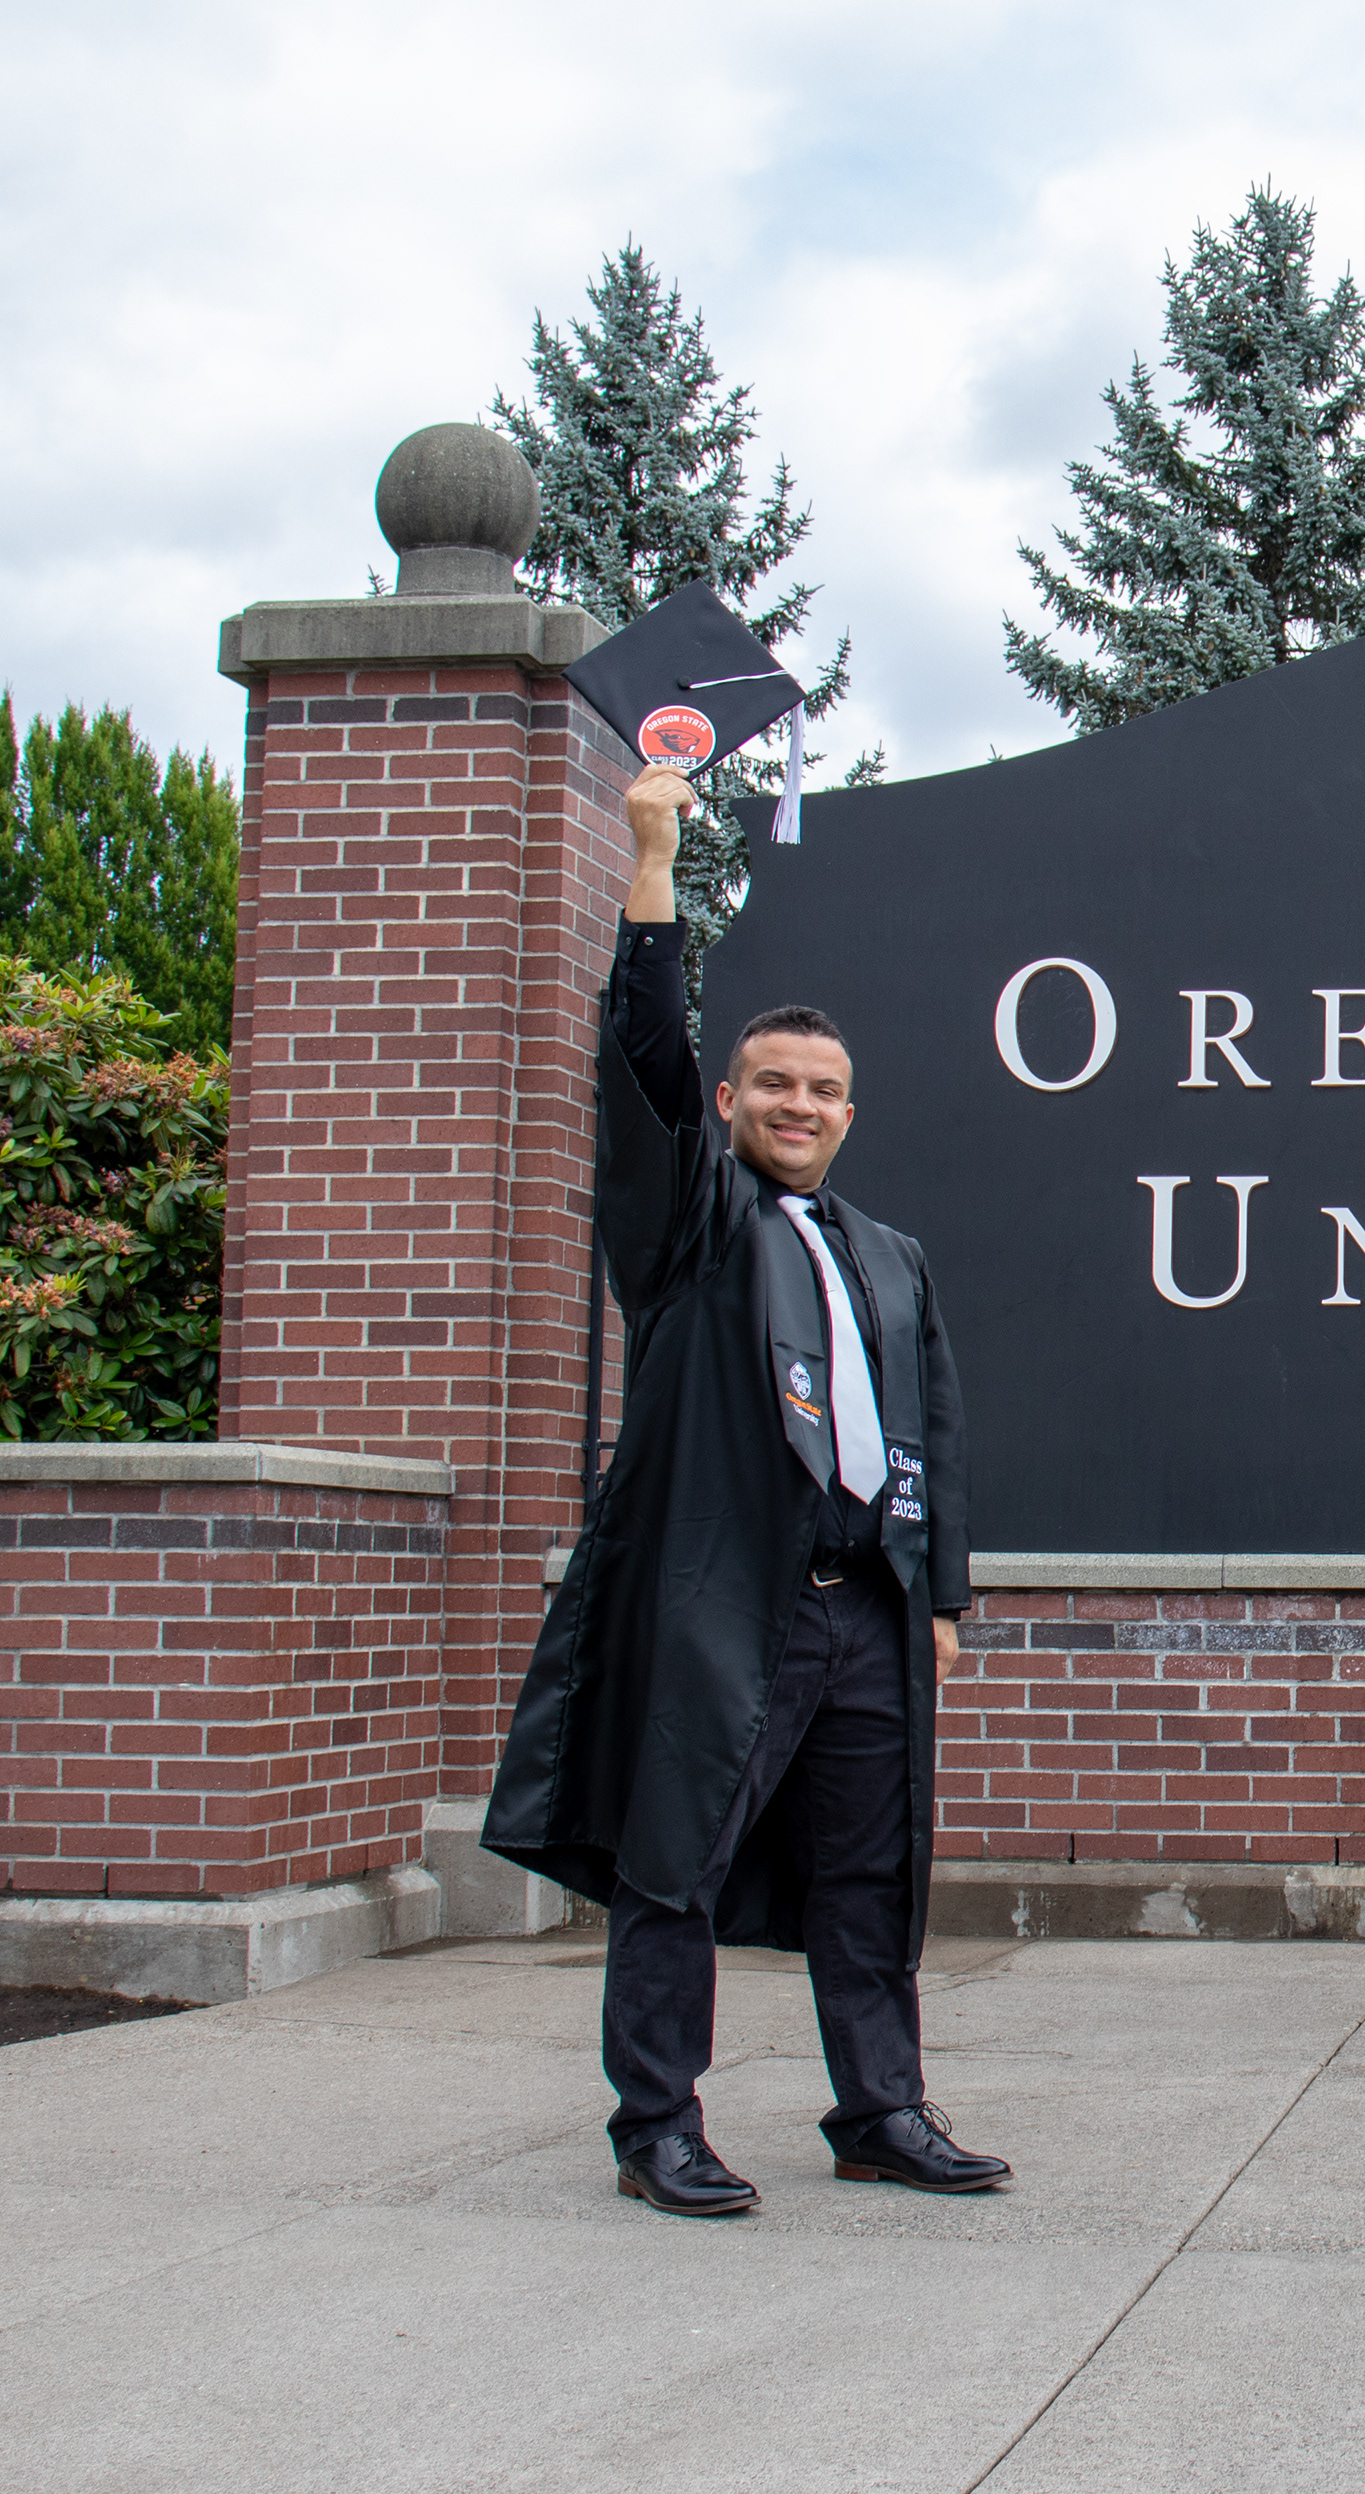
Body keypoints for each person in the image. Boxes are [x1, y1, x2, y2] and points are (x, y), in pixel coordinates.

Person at [482, 760, 1006, 2217]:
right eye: (773, 1083)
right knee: (678, 1865)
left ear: (850, 1112)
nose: (799, 1104)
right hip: (729, 1607)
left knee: (872, 1874)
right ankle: (656, 2124)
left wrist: (941, 1594)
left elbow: (934, 1428)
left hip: (868, 1608)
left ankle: (879, 2110)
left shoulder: (889, 1255)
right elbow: (642, 1063)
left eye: (823, 1091)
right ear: (728, 1100)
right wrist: (652, 867)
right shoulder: (692, 1228)